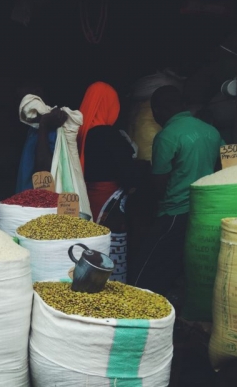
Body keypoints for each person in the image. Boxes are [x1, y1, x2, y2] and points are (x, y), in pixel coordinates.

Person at [128, 85, 225, 296]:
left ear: (158, 110)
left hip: (174, 211)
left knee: (143, 268)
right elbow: (226, 164)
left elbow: (158, 183)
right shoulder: (211, 131)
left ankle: (134, 305)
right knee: (180, 265)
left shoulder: (167, 136)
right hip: (204, 211)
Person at [77, 82, 135, 219]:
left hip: (86, 199)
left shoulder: (78, 133)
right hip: (107, 201)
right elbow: (127, 173)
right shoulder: (108, 134)